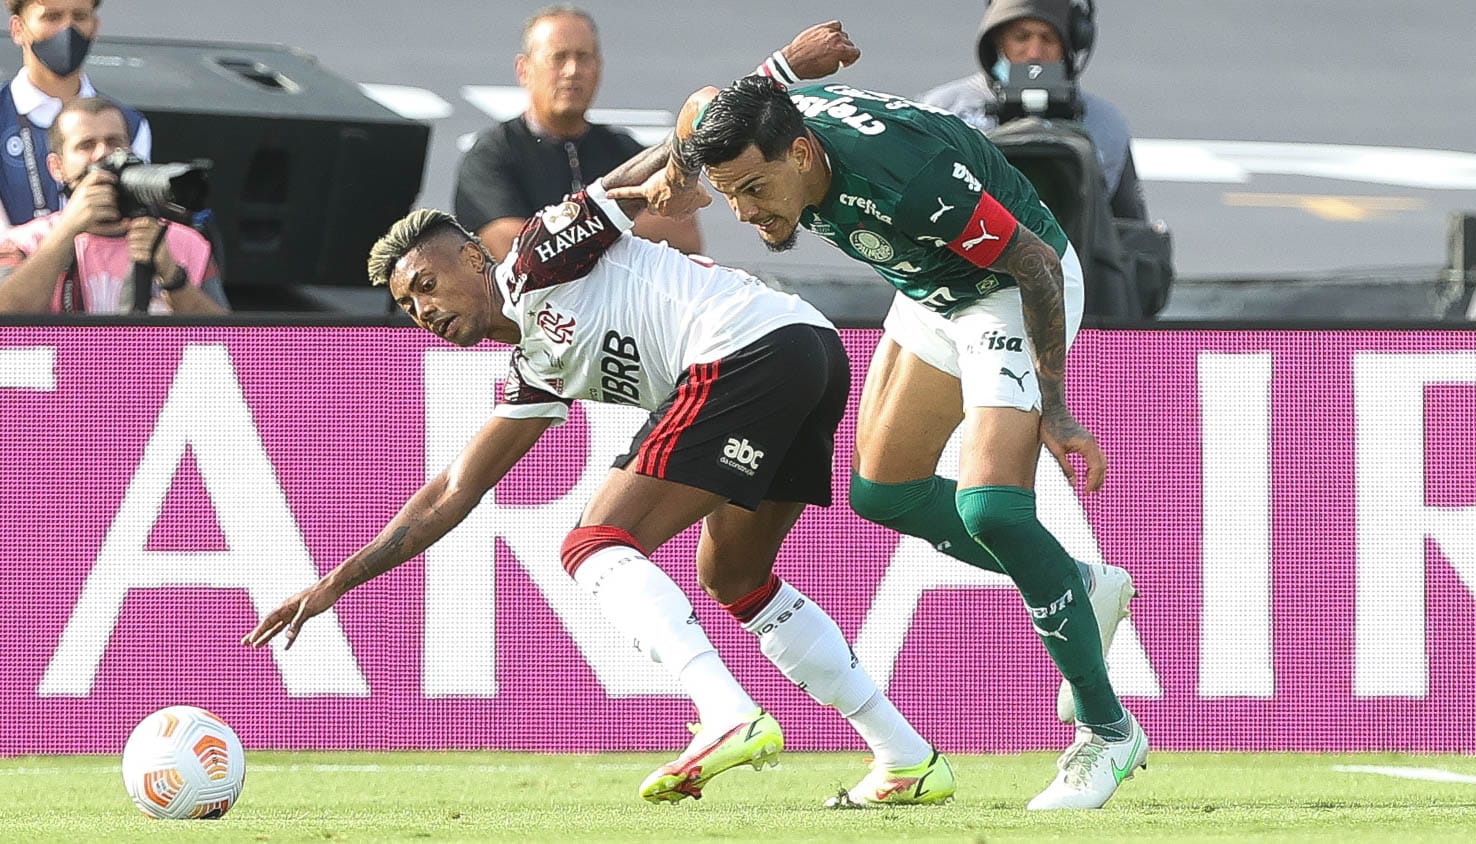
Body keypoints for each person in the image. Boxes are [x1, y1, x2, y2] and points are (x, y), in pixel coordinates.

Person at [243, 24, 955, 811]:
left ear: (473, 259)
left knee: (592, 543)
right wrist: (334, 585)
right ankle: (905, 756)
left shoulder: (536, 255)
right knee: (735, 576)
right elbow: (454, 491)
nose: (422, 310)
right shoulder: (533, 368)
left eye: (427, 285)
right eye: (408, 305)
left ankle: (722, 714)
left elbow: (657, 165)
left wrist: (778, 71)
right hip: (807, 352)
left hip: (746, 348)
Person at [613, 33, 1144, 810]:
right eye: (730, 194)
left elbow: (1029, 261)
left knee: (991, 507)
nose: (746, 211)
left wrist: (1056, 407)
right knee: (883, 492)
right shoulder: (738, 131)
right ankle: (1078, 586)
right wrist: (642, 184)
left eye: (756, 188)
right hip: (928, 285)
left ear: (800, 153)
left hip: (1008, 282)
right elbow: (707, 110)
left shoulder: (910, 180)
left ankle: (1107, 730)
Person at [453, 5, 702, 261]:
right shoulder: (492, 156)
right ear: (524, 70)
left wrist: (569, 236)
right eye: (558, 57)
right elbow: (519, 253)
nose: (572, 70)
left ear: (599, 66)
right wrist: (618, 226)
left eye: (583, 57)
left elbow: (683, 232)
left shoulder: (623, 151)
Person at [919, 0, 1147, 222]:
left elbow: (1133, 237)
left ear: (1070, 44)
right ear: (997, 40)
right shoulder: (942, 111)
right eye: (1021, 37)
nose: (1034, 53)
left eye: (1048, 38)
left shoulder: (1104, 124)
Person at [0, 96, 225, 314]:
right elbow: (6, 312)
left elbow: (230, 339)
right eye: (86, 145)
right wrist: (67, 230)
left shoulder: (185, 243)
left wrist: (173, 277)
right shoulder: (23, 243)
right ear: (57, 167)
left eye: (115, 143)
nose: (103, 154)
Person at [2, 0, 151, 235]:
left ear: (95, 27)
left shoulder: (129, 124)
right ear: (18, 29)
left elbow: (132, 226)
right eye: (52, 17)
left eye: (80, 17)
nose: (67, 29)